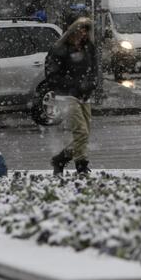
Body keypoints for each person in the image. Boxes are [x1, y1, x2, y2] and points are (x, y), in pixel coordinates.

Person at [45, 18, 98, 175]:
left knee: (84, 134)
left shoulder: (88, 47)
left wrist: (90, 84)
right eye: (80, 29)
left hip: (84, 95)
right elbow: (52, 75)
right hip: (66, 96)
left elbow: (94, 70)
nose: (82, 33)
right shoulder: (59, 49)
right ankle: (81, 165)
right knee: (81, 132)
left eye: (86, 30)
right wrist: (73, 84)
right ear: (72, 30)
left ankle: (61, 159)